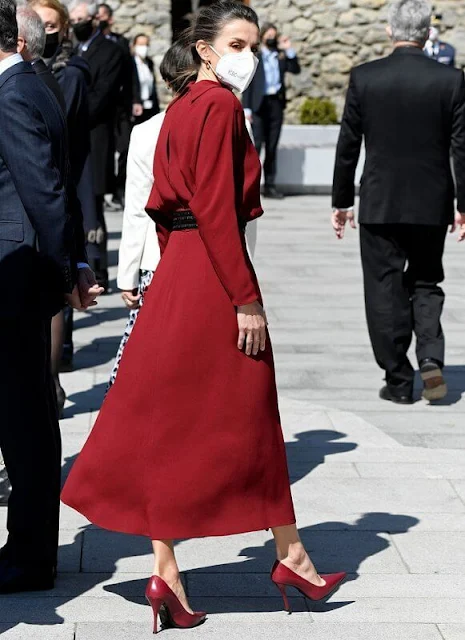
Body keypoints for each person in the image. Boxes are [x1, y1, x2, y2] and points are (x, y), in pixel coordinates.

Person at [62, 2, 346, 631]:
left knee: (169, 420)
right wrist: (245, 296)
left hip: (180, 274)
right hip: (216, 276)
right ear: (207, 50)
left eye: (253, 43)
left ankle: (170, 571)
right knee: (254, 412)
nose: (250, 54)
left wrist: (173, 275)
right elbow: (219, 209)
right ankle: (290, 556)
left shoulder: (181, 109)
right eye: (238, 43)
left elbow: (163, 206)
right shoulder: (219, 106)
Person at [0, 0, 101, 594]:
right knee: (30, 418)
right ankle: (29, 549)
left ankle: (30, 557)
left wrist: (68, 267)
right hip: (29, 274)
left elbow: (42, 186)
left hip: (14, 280)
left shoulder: (13, 93)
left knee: (23, 423)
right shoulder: (37, 81)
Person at [332, 0, 465, 405]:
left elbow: (348, 146)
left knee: (384, 288)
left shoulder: (365, 78)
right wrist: (463, 204)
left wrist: (341, 201)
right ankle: (430, 356)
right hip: (431, 202)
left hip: (379, 202)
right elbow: (462, 149)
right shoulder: (452, 81)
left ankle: (399, 380)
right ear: (427, 33)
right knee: (426, 280)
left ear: (390, 32)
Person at [109, 39, 191, 387]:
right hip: (217, 262)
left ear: (167, 81)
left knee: (147, 355)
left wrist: (127, 273)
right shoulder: (238, 126)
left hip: (158, 259)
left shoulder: (145, 133)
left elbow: (138, 210)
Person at [29, 0, 99, 394]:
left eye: (52, 25)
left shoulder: (62, 76)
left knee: (57, 284)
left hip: (59, 187)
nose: (47, 31)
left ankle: (51, 378)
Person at [69, 0, 124, 291]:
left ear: (93, 20)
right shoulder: (73, 50)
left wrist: (68, 112)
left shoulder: (111, 51)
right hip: (73, 140)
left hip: (95, 139)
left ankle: (98, 267)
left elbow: (101, 97)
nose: (77, 22)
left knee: (94, 205)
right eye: (73, 18)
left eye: (81, 17)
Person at [242, 22, 300, 200]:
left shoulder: (280, 56)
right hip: (259, 104)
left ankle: (270, 185)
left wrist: (289, 51)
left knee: (272, 146)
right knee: (257, 145)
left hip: (276, 103)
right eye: (269, 36)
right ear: (262, 37)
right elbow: (248, 83)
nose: (271, 39)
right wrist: (247, 108)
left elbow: (295, 69)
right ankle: (249, 186)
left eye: (274, 36)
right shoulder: (255, 56)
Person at [97, 2, 134, 209]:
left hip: (120, 105)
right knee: (103, 150)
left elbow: (130, 75)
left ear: (110, 19)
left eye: (102, 16)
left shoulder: (121, 43)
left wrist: (134, 99)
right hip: (102, 106)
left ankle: (119, 189)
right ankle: (103, 193)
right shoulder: (89, 44)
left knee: (125, 147)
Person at [131, 33, 160, 125]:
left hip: (150, 106)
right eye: (140, 45)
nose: (144, 48)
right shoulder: (130, 63)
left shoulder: (149, 63)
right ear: (134, 46)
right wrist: (135, 101)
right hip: (136, 107)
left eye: (146, 45)